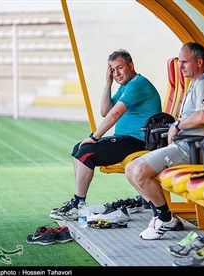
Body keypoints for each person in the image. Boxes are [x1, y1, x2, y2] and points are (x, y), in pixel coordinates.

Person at [50, 49, 162, 220]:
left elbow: (114, 114)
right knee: (77, 149)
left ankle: (77, 204)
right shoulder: (126, 86)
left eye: (120, 68)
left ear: (131, 65)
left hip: (138, 141)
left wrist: (95, 137)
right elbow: (104, 110)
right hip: (128, 139)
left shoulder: (137, 84)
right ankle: (78, 202)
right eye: (112, 69)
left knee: (86, 152)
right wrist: (107, 83)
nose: (116, 73)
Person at [125, 42, 204, 240]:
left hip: (192, 148)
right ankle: (163, 216)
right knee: (130, 169)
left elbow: (203, 116)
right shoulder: (194, 83)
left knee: (139, 172)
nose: (180, 66)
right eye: (179, 62)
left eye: (185, 62)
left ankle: (164, 218)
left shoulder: (203, 83)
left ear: (199, 62)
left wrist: (178, 125)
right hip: (182, 145)